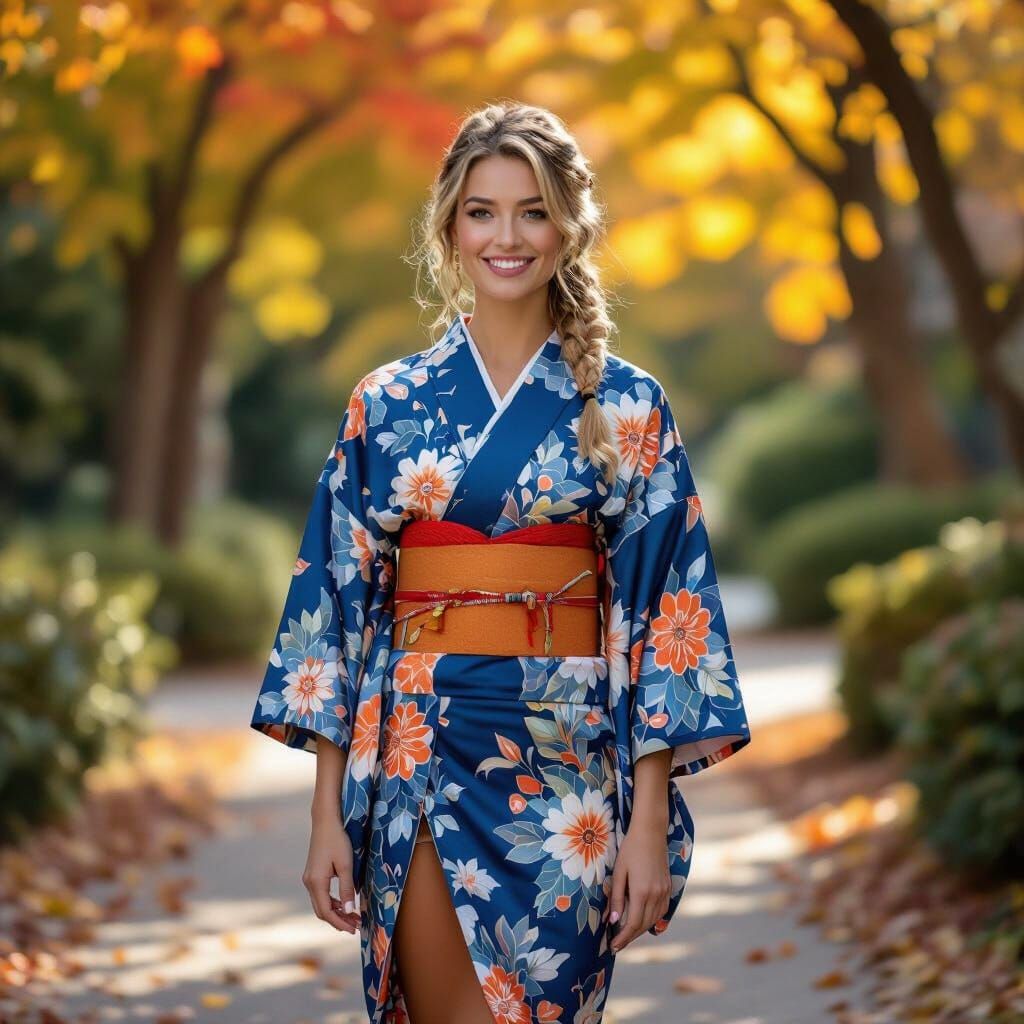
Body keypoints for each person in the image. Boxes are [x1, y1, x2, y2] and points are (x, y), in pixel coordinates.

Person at [250, 101, 751, 1024]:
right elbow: (335, 605)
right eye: (482, 211)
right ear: (449, 226)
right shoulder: (387, 402)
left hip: (571, 776)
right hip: (423, 751)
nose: (507, 236)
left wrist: (646, 822)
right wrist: (327, 813)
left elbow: (664, 610)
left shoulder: (628, 404)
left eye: (533, 210)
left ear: (570, 224)